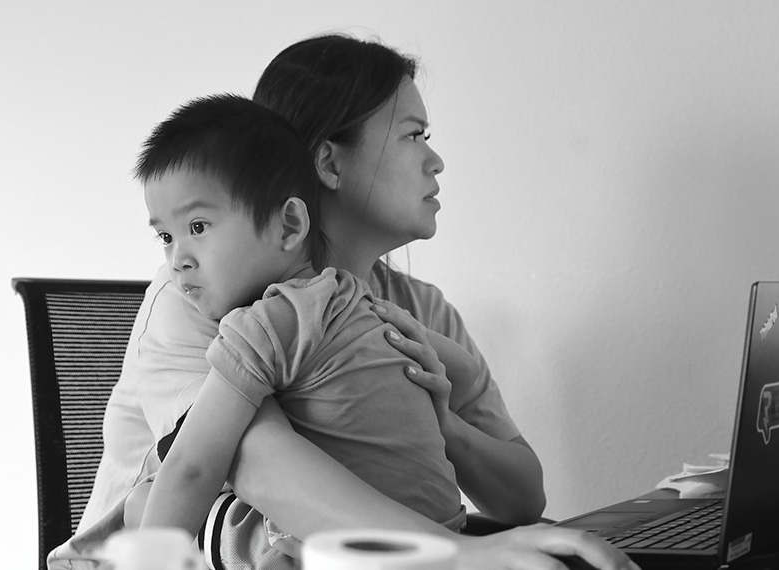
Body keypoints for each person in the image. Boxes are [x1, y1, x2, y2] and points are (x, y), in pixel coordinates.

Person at [51, 33, 639, 570]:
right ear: (330, 163)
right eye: (413, 135)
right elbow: (249, 461)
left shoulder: (419, 309)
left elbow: (522, 498)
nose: (435, 160)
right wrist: (458, 554)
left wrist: (443, 425)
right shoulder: (196, 296)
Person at [133, 90, 471, 543]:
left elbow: (192, 467)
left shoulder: (263, 324)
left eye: (198, 227)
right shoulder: (355, 298)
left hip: (355, 555)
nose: (178, 260)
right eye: (166, 237)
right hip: (449, 529)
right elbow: (464, 367)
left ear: (289, 224)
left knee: (141, 505)